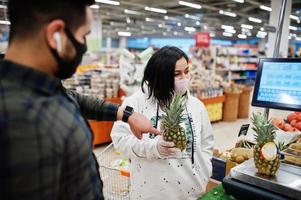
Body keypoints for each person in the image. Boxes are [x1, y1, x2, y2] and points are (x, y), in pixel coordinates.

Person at [0, 0, 159, 199]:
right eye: (83, 36)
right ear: (55, 35)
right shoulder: (23, 122)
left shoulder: (39, 85)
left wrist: (127, 115)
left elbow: (74, 98)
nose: (83, 47)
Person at [111, 46, 214, 200]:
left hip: (193, 192)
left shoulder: (196, 106)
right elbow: (120, 139)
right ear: (160, 76)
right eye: (176, 74)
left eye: (186, 71)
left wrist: (205, 171)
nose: (184, 78)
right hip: (152, 193)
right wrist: (154, 148)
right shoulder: (135, 102)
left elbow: (207, 142)